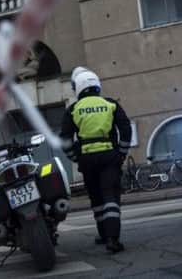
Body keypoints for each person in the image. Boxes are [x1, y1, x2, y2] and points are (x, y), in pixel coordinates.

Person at [60, 66, 132, 253]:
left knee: (97, 198)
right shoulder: (110, 104)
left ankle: (103, 234)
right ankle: (112, 239)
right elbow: (125, 129)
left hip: (87, 160)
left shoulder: (73, 109)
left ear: (79, 87)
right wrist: (122, 153)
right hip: (109, 158)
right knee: (110, 198)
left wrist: (75, 158)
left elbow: (65, 140)